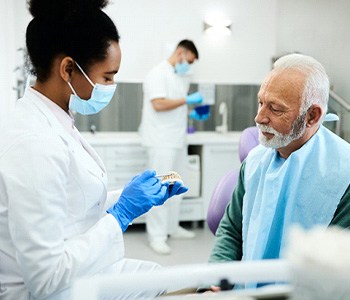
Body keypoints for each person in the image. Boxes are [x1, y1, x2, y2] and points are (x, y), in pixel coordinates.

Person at [0, 0, 188, 299]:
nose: (111, 86)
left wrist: (125, 198)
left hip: (75, 269)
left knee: (177, 281)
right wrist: (121, 214)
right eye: (107, 77)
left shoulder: (53, 120)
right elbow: (46, 278)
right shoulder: (33, 143)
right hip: (46, 291)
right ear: (68, 69)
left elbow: (69, 202)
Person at [208, 53, 350, 289]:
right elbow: (231, 230)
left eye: (275, 109)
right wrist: (215, 281)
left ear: (312, 116)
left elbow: (336, 270)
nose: (259, 117)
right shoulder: (255, 161)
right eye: (261, 102)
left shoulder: (343, 175)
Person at [139, 40, 203, 255]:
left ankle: (172, 227)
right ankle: (156, 236)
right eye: (190, 61)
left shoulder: (177, 75)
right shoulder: (157, 73)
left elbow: (174, 106)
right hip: (160, 141)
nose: (190, 66)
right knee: (160, 187)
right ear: (181, 53)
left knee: (176, 185)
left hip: (176, 139)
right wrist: (187, 100)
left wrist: (190, 113)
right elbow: (158, 104)